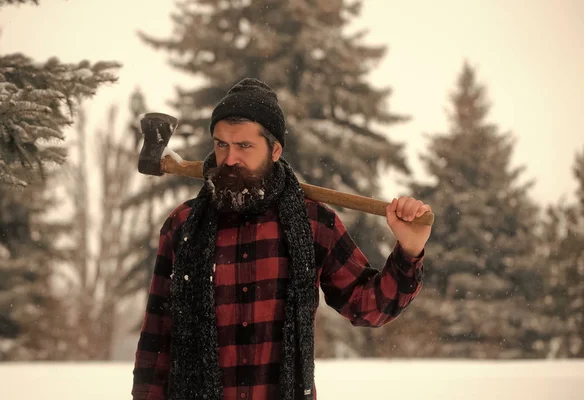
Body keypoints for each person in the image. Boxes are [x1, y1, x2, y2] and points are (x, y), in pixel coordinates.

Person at [131, 78, 431, 400]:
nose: (229, 159)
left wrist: (409, 249)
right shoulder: (183, 225)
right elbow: (157, 339)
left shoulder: (314, 222)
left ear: (275, 149)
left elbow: (367, 307)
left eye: (244, 146)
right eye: (221, 145)